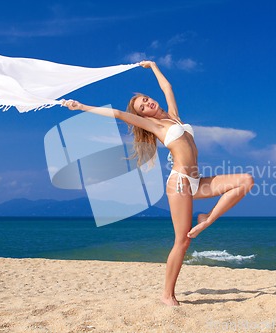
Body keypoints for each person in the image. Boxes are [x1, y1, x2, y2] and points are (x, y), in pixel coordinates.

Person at [62, 60, 254, 306]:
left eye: (146, 99)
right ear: (142, 115)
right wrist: (81, 107)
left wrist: (153, 66)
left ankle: (207, 218)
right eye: (142, 106)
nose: (148, 102)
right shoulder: (155, 126)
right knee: (183, 241)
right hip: (180, 183)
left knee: (246, 181)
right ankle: (167, 294)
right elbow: (119, 114)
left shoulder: (174, 117)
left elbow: (168, 88)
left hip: (196, 181)